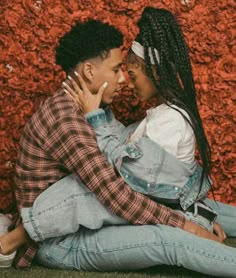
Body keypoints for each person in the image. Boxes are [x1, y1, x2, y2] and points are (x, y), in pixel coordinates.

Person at [0, 14, 236, 277]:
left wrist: (193, 216)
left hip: (87, 221)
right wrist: (189, 226)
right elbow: (114, 192)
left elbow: (125, 162)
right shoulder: (65, 119)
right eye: (115, 69)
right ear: (90, 71)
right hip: (57, 242)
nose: (122, 79)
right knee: (168, 240)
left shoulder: (91, 107)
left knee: (188, 208)